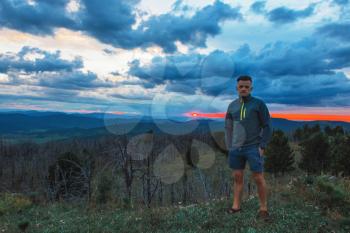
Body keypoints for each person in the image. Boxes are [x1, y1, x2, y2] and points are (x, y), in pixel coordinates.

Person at [224, 75, 272, 220]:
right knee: (237, 177)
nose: (244, 88)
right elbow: (228, 127)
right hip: (235, 149)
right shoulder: (232, 106)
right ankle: (236, 206)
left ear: (251, 88)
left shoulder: (258, 104)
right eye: (241, 86)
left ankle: (263, 209)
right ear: (236, 88)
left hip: (253, 147)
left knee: (258, 177)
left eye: (246, 86)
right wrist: (229, 146)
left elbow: (267, 126)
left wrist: (262, 146)